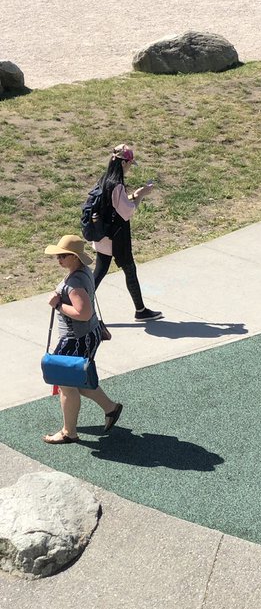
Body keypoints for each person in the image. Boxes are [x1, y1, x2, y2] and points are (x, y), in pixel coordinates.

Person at [42, 235, 123, 444]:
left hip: (76, 338)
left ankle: (69, 431)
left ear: (75, 257)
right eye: (57, 256)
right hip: (87, 335)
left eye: (62, 256)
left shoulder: (75, 282)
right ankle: (111, 408)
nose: (58, 259)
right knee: (78, 379)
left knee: (67, 385)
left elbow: (83, 313)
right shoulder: (83, 272)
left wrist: (58, 304)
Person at [92, 145, 162, 321]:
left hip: (103, 236)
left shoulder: (104, 180)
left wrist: (133, 195)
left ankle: (83, 309)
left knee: (99, 273)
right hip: (116, 239)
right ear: (123, 163)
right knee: (129, 270)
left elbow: (115, 205)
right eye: (130, 163)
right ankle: (140, 311)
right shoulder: (117, 185)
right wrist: (141, 195)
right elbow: (127, 212)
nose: (130, 167)